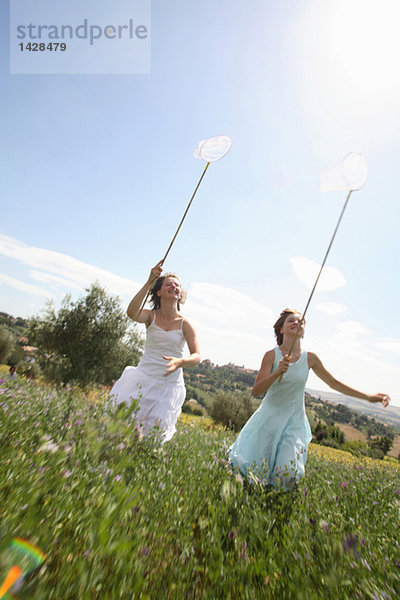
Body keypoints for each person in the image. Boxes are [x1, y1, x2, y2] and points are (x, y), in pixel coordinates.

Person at [229, 308, 390, 490]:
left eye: (301, 321)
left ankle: (278, 502)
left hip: (294, 422)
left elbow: (334, 383)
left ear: (303, 332)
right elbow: (256, 390)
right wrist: (277, 373)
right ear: (281, 329)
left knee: (286, 473)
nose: (297, 323)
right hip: (268, 419)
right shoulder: (272, 355)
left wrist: (369, 397)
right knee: (254, 472)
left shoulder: (310, 359)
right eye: (291, 320)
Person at [109, 261, 200, 443]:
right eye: (169, 283)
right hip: (143, 379)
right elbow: (132, 313)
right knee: (122, 430)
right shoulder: (151, 316)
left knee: (153, 437)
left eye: (177, 285)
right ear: (159, 292)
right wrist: (149, 281)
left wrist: (180, 362)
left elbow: (197, 356)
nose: (174, 286)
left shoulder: (185, 324)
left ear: (180, 293)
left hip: (169, 386)